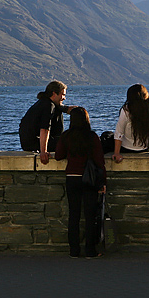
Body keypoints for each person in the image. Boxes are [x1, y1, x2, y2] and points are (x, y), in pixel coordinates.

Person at [55, 107, 106, 258]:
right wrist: (102, 182)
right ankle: (90, 250)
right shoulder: (92, 137)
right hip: (88, 178)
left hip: (72, 177)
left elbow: (58, 156)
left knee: (74, 215)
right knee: (90, 216)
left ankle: (74, 251)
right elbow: (99, 162)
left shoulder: (66, 136)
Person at [18, 80, 73, 164]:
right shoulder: (49, 106)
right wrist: (43, 151)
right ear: (54, 93)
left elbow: (60, 107)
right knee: (71, 141)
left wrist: (69, 109)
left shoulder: (43, 102)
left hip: (28, 143)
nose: (64, 98)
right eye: (63, 94)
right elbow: (44, 128)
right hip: (35, 143)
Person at [111, 84, 149, 164]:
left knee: (107, 136)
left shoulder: (126, 110)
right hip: (146, 148)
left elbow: (119, 132)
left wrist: (116, 153)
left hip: (126, 148)